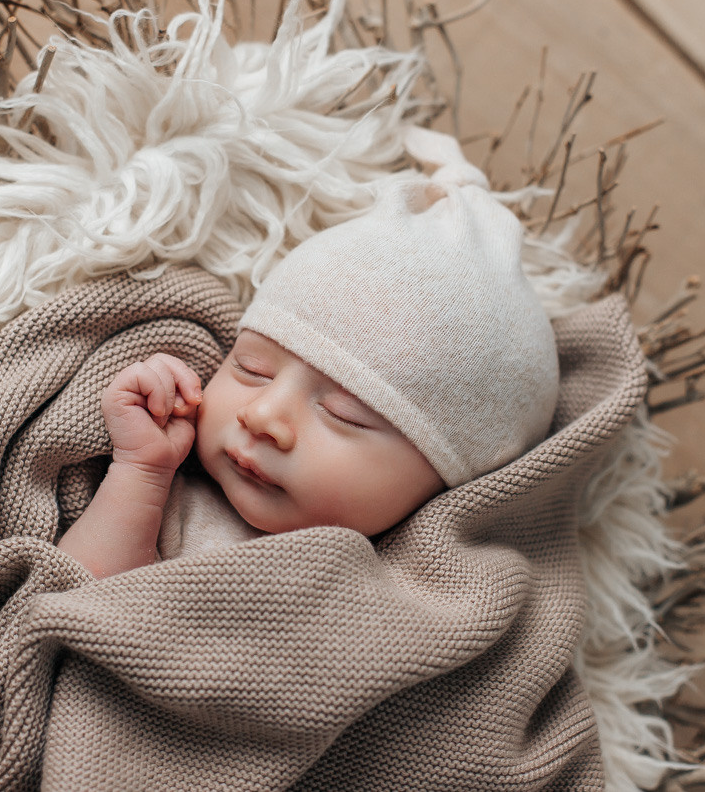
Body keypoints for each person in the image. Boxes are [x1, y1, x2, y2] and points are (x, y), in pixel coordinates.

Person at [58, 132, 561, 580]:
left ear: (451, 481)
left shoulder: (417, 596)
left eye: (343, 415)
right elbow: (69, 605)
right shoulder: (171, 504)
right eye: (251, 369)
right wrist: (141, 471)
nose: (262, 416)